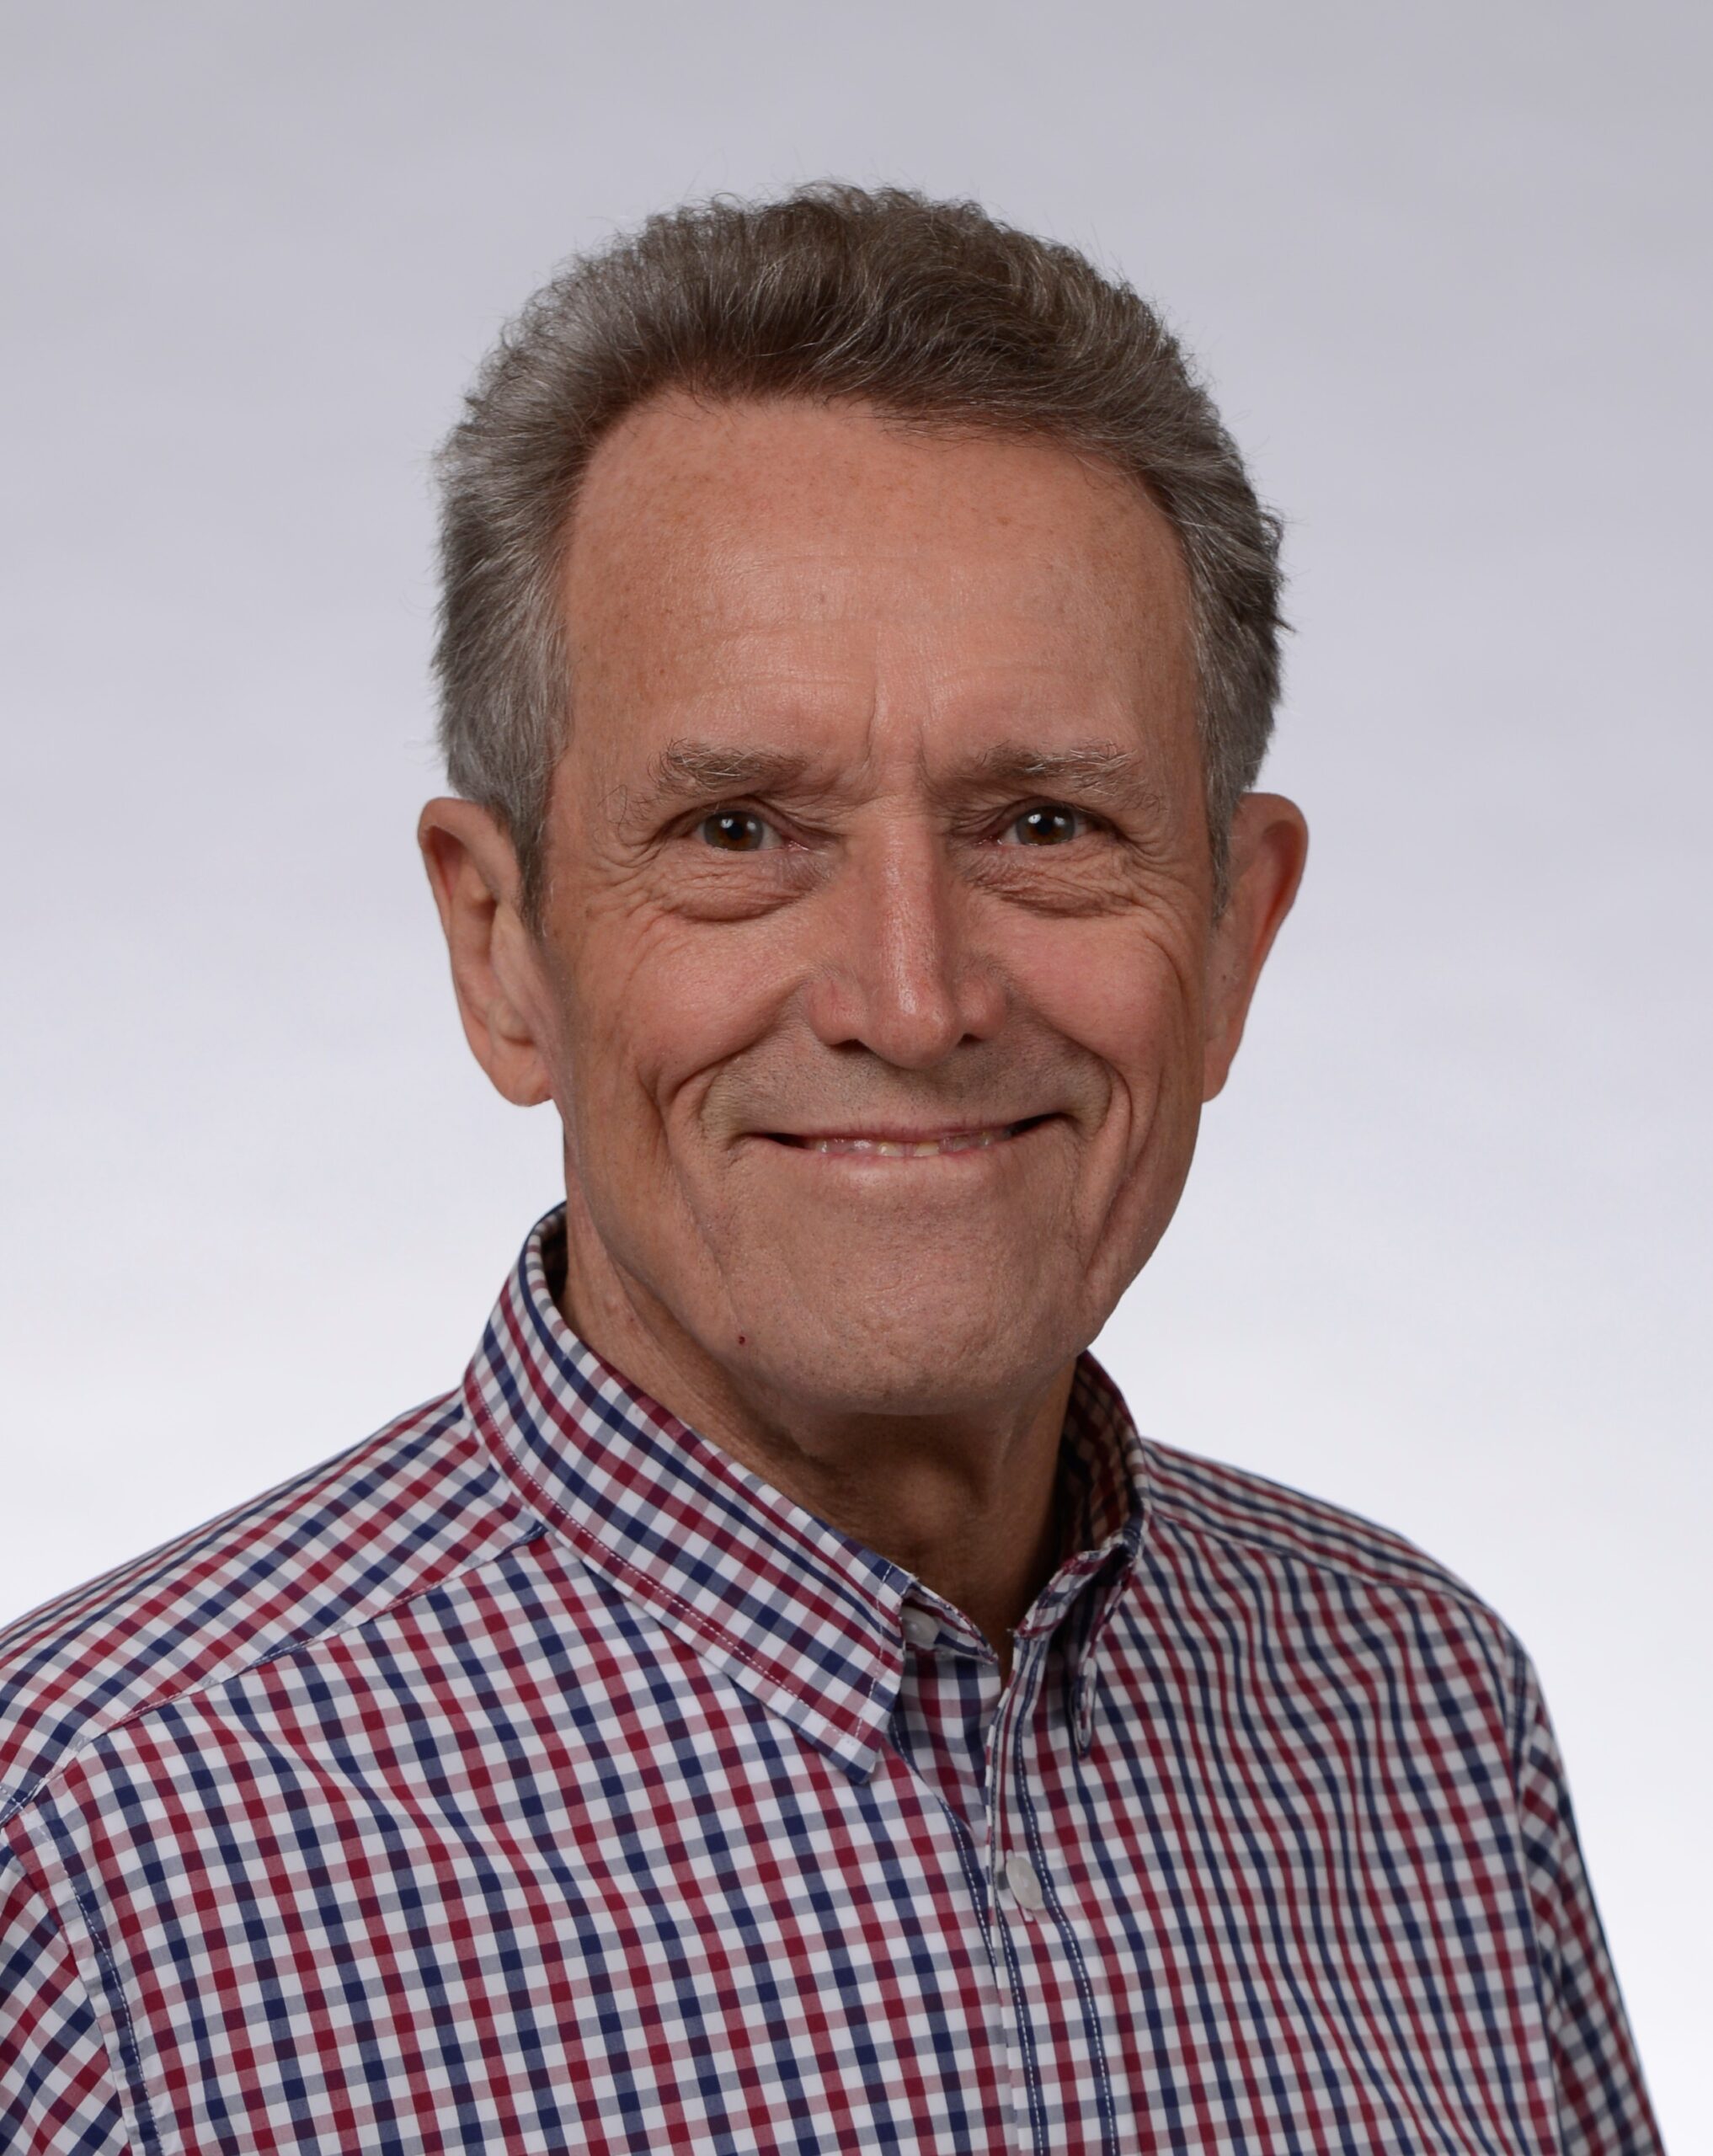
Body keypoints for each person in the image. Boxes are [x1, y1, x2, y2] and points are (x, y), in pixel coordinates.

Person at [0, 186, 1659, 2154]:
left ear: (1232, 938)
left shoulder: (1421, 1713)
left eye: (1044, 819)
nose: (913, 991)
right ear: (502, 944)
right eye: (736, 828)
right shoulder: (86, 1854)